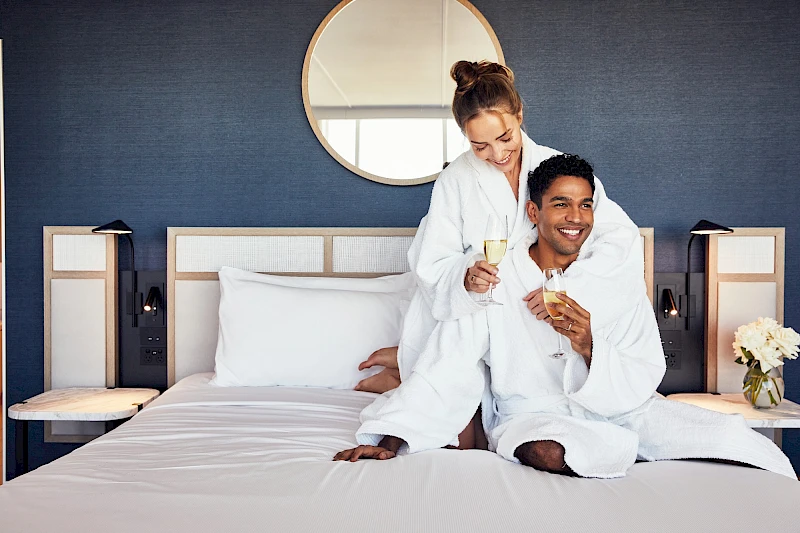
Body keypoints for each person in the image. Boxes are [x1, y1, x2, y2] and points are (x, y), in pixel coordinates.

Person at [335, 154, 796, 480]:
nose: (576, 218)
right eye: (561, 204)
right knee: (551, 451)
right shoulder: (497, 277)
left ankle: (632, 447)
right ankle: (620, 454)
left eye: (586, 204)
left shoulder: (611, 279)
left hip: (622, 410)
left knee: (743, 447)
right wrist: (392, 438)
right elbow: (448, 363)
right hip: (533, 417)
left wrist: (589, 342)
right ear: (533, 211)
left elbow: (646, 366)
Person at [353, 61, 644, 439]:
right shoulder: (455, 180)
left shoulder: (555, 168)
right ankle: (408, 377)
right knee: (456, 426)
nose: (497, 153)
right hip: (482, 308)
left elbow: (619, 238)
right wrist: (468, 278)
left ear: (519, 115)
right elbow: (433, 260)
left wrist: (569, 288)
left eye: (505, 137)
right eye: (480, 145)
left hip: (535, 310)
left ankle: (406, 367)